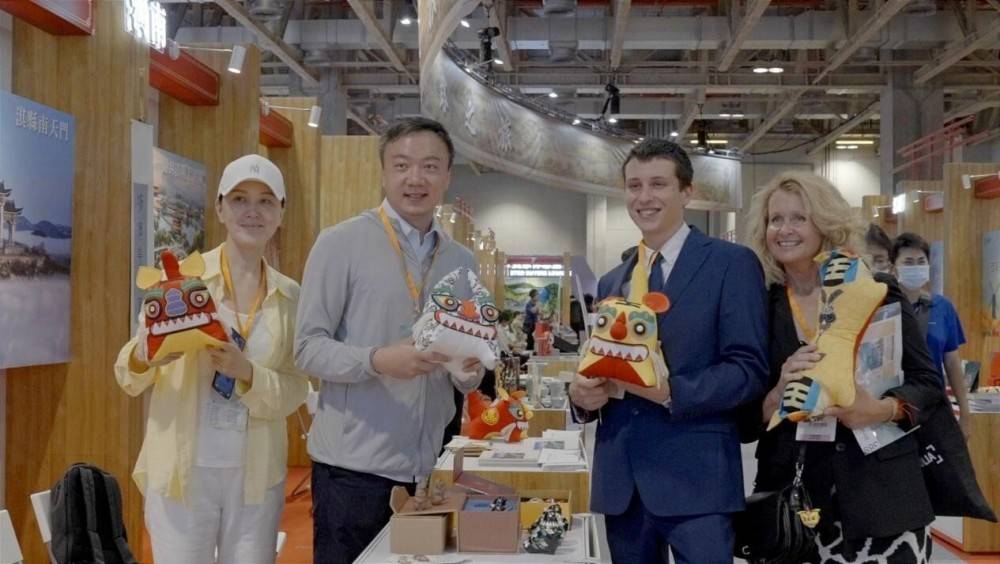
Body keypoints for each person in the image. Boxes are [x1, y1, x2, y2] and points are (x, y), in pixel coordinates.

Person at [568, 139, 769, 563]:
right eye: (634, 186)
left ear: (687, 192)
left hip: (697, 479)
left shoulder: (731, 264)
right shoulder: (613, 280)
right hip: (622, 481)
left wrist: (670, 392)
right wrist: (583, 397)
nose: (644, 197)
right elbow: (600, 363)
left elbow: (748, 369)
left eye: (658, 184)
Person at [294, 117, 484, 564]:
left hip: (428, 470)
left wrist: (468, 372)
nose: (415, 178)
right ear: (383, 172)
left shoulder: (461, 261)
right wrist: (378, 359)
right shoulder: (340, 243)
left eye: (430, 166)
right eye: (402, 165)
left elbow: (466, 369)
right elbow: (306, 348)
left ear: (447, 176)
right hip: (352, 474)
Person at [114, 155, 309, 564]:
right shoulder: (181, 280)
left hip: (255, 478)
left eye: (265, 201)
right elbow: (128, 375)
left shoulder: (290, 297)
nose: (252, 211)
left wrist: (248, 373)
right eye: (239, 199)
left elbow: (295, 388)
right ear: (220, 208)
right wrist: (147, 355)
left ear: (281, 213)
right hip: (183, 474)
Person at [743, 172, 944, 562]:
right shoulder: (758, 304)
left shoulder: (875, 290)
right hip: (790, 505)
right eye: (775, 219)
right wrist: (776, 393)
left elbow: (927, 383)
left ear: (826, 224)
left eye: (799, 218)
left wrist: (882, 409)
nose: (784, 229)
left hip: (881, 496)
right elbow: (743, 420)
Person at [892, 231, 971, 439]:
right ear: (894, 267)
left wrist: (965, 413)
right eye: (908, 262)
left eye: (921, 261)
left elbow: (951, 362)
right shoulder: (884, 307)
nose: (915, 267)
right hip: (894, 407)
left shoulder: (942, 307)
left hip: (933, 406)